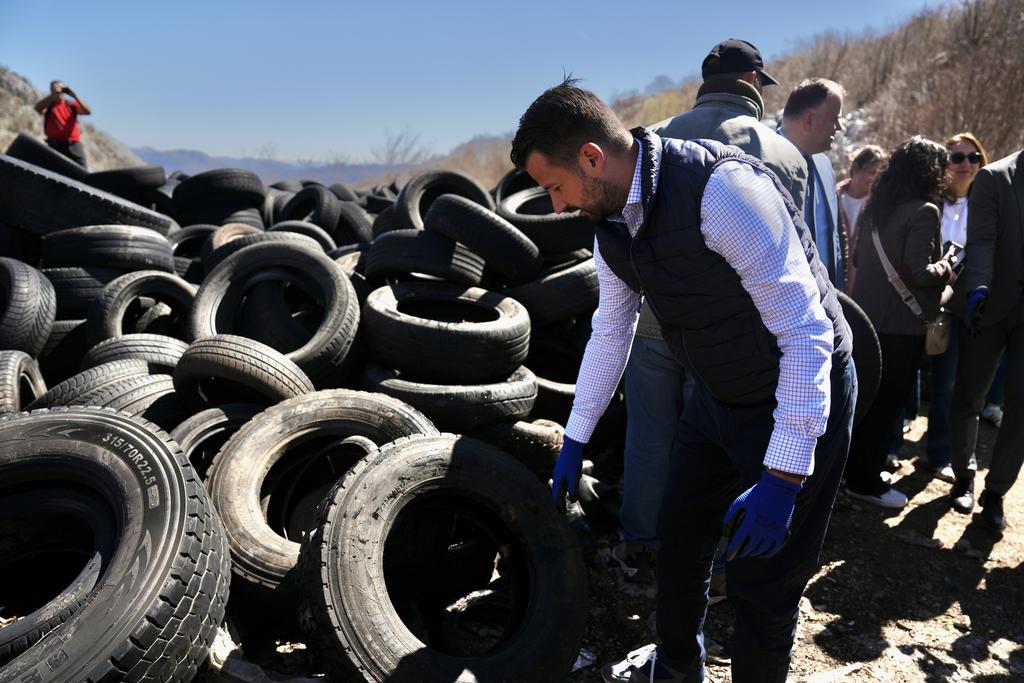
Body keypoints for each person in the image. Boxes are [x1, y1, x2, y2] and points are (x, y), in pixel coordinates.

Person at [511, 79, 856, 683]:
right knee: (680, 537)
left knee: (761, 580)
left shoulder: (721, 192)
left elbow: (806, 334)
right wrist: (576, 435)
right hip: (717, 394)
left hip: (796, 394)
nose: (558, 206)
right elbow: (611, 329)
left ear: (592, 158)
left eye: (556, 187)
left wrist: (782, 475)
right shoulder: (612, 223)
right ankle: (675, 669)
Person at [611, 38, 807, 586]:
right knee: (721, 447)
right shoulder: (785, 153)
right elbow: (796, 259)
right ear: (752, 84)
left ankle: (641, 549)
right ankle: (715, 561)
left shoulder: (651, 141)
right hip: (735, 339)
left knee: (649, 434)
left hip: (656, 320)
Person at [845, 137, 960, 508]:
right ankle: (866, 483)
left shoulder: (874, 207)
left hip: (864, 321)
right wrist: (950, 265)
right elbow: (918, 271)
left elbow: (860, 257)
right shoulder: (925, 211)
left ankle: (851, 473)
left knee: (862, 402)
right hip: (899, 327)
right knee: (887, 405)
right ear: (931, 172)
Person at [947, 148, 1024, 531]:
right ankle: (963, 475)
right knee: (969, 395)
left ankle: (996, 494)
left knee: (1020, 405)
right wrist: (978, 287)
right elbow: (981, 240)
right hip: (989, 306)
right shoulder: (995, 177)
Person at [924, 133, 990, 482]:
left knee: (967, 388)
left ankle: (952, 455)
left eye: (973, 157)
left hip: (977, 306)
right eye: (957, 157)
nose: (965, 164)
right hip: (936, 304)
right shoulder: (931, 202)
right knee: (942, 385)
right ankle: (936, 454)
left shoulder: (991, 202)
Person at [780, 79, 847, 291]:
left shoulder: (825, 164)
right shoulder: (762, 162)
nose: (839, 127)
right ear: (809, 120)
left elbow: (834, 236)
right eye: (835, 118)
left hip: (829, 303)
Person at [836, 145, 886, 292]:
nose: (875, 179)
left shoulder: (879, 207)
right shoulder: (832, 198)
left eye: (879, 174)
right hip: (833, 279)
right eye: (871, 172)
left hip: (864, 287)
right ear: (856, 168)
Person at [33, 80, 92, 168]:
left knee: (82, 170)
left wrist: (74, 96)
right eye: (54, 88)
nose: (58, 90)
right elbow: (37, 108)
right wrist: (53, 95)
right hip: (54, 145)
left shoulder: (71, 104)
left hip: (73, 144)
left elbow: (87, 112)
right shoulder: (49, 105)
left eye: (61, 88)